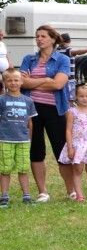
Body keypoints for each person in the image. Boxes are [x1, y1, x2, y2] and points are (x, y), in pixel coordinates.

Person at [18, 24, 71, 202]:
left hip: (55, 109)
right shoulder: (29, 59)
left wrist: (33, 81)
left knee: (61, 150)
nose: (39, 39)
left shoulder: (62, 59)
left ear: (53, 39)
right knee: (36, 150)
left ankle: (71, 190)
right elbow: (21, 83)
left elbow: (58, 84)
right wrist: (46, 80)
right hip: (31, 110)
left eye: (43, 36)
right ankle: (43, 192)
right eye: (37, 36)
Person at [57, 82, 87, 201]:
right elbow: (68, 130)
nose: (84, 99)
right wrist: (70, 147)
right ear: (76, 97)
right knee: (78, 169)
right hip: (77, 145)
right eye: (81, 96)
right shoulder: (72, 112)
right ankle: (79, 195)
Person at [0, 67, 36, 207]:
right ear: (4, 82)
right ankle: (4, 196)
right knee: (5, 169)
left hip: (23, 140)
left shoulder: (28, 101)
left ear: (21, 82)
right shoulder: (2, 100)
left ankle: (26, 196)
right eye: (9, 80)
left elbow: (30, 123)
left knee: (23, 168)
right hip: (5, 140)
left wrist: (29, 139)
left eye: (16, 80)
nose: (13, 83)